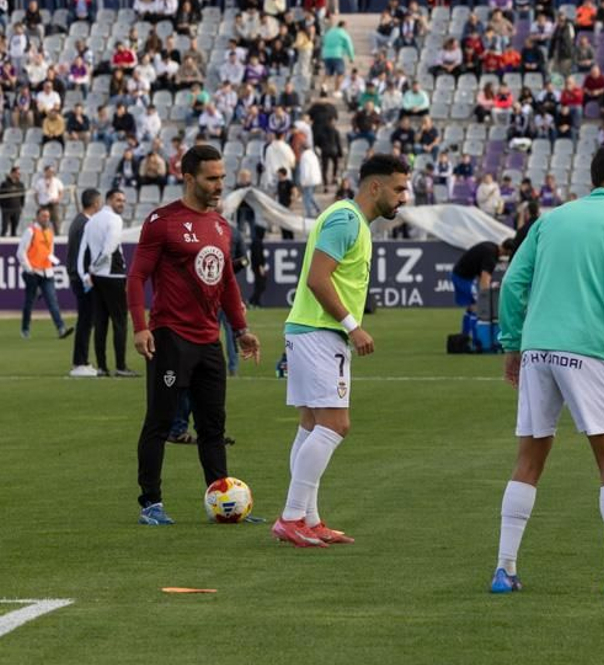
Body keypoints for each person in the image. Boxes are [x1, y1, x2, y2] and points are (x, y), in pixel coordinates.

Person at [490, 143, 604, 595]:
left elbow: (512, 283)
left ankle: (504, 569)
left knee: (528, 460)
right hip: (588, 351)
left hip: (537, 350)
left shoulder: (551, 219)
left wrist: (512, 344)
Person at [272, 155, 412, 547]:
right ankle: (291, 517)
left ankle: (309, 519)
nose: (404, 197)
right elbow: (318, 279)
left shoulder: (352, 221)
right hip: (320, 332)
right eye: (399, 188)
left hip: (309, 330)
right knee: (336, 425)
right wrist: (354, 326)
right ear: (375, 187)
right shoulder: (346, 220)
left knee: (311, 425)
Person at [126, 144, 261, 525]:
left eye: (222, 177)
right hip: (170, 337)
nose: (219, 184)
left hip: (208, 340)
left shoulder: (220, 226)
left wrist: (241, 329)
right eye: (211, 178)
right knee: (160, 422)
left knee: (212, 426)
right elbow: (136, 276)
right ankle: (150, 503)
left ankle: (224, 501)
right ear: (189, 178)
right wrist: (140, 327)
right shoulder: (162, 221)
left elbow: (227, 282)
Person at [82, 187, 136, 378]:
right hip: (113, 275)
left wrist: (91, 269)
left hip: (98, 277)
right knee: (120, 322)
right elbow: (109, 248)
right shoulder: (114, 219)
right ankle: (120, 366)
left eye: (123, 200)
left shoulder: (92, 220)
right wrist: (96, 265)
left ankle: (102, 367)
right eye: (119, 200)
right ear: (109, 200)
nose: (122, 204)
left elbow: (86, 249)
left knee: (101, 322)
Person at [17, 205, 74, 340]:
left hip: (47, 272)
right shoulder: (30, 231)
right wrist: (29, 268)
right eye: (43, 216)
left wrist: (51, 261)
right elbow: (21, 252)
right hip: (33, 273)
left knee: (52, 301)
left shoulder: (49, 232)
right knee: (29, 302)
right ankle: (25, 329)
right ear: (37, 217)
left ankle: (61, 328)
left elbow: (50, 251)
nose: (46, 218)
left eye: (48, 216)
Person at [66, 188, 102, 377]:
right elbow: (84, 254)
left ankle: (82, 361)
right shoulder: (85, 224)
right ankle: (80, 362)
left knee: (87, 319)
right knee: (86, 320)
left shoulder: (78, 221)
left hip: (77, 276)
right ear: (95, 203)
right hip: (83, 278)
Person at [452, 239, 514, 342]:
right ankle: (475, 340)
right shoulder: (491, 257)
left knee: (470, 308)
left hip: (458, 274)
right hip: (464, 279)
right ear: (508, 252)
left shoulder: (491, 246)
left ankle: (465, 336)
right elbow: (485, 279)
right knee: (477, 308)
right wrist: (486, 298)